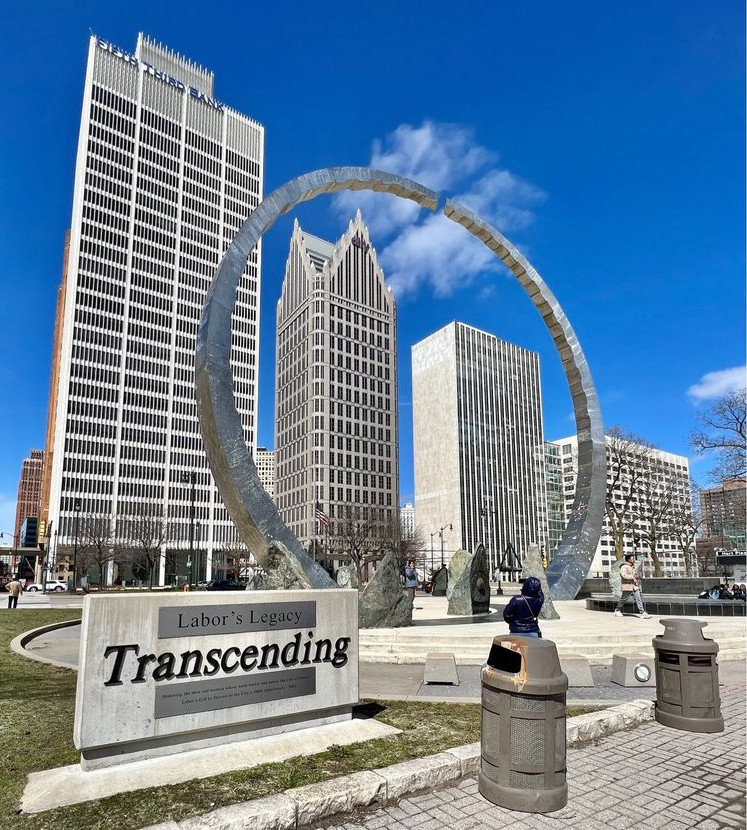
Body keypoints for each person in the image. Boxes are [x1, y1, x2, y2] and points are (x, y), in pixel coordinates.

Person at [614, 554, 651, 618]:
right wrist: (633, 577)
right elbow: (623, 575)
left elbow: (634, 575)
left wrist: (638, 576)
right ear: (628, 559)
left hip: (634, 586)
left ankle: (642, 612)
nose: (634, 560)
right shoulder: (624, 567)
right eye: (633, 558)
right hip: (627, 586)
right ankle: (617, 610)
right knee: (623, 599)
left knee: (638, 598)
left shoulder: (632, 567)